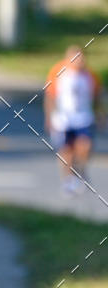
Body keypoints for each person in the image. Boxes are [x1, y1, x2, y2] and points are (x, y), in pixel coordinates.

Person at [45, 45, 103, 195]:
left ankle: (81, 171)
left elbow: (97, 97)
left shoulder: (91, 76)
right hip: (64, 119)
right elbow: (50, 96)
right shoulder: (58, 72)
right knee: (67, 151)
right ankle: (68, 179)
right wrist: (49, 118)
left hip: (83, 118)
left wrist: (100, 114)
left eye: (81, 57)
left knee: (85, 146)